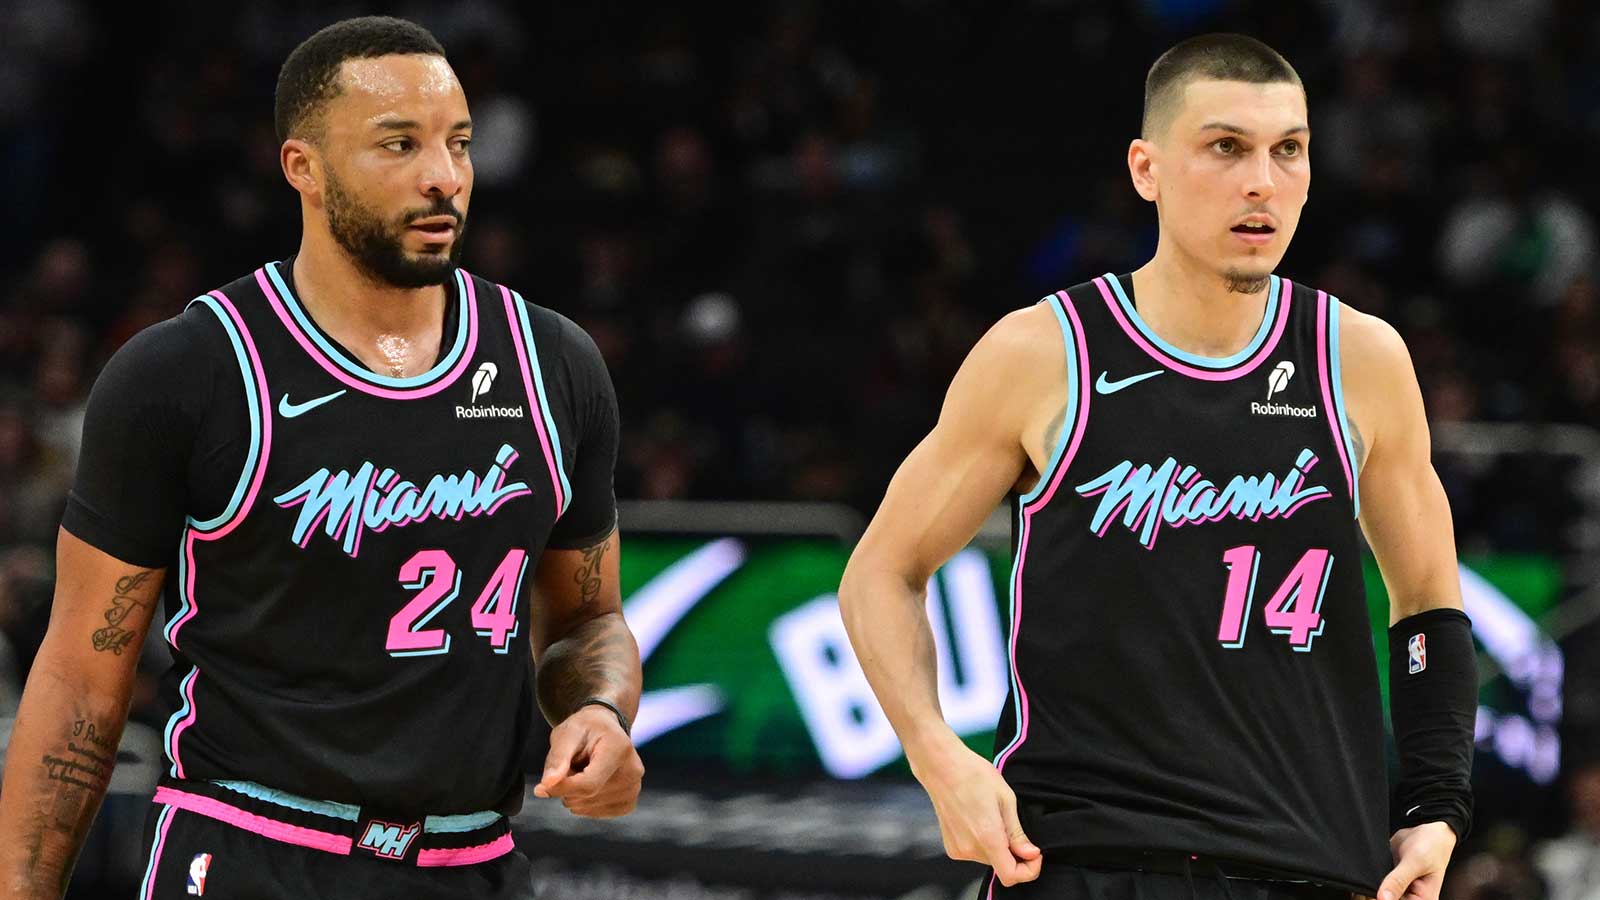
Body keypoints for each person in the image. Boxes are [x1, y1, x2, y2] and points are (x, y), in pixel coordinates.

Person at [0, 17, 642, 900]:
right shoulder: (189, 371)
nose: (443, 176)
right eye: (398, 144)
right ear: (302, 167)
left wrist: (598, 711)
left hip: (472, 861)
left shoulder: (554, 366)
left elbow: (586, 622)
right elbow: (80, 677)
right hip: (247, 848)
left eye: (457, 143)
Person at [839, 33, 1476, 900]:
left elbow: (1429, 607)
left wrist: (1438, 806)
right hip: (1083, 859)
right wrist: (939, 758)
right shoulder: (1045, 352)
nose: (1262, 181)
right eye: (1226, 148)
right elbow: (883, 570)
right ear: (1147, 168)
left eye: (1288, 151)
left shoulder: (1357, 359)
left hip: (1310, 861)